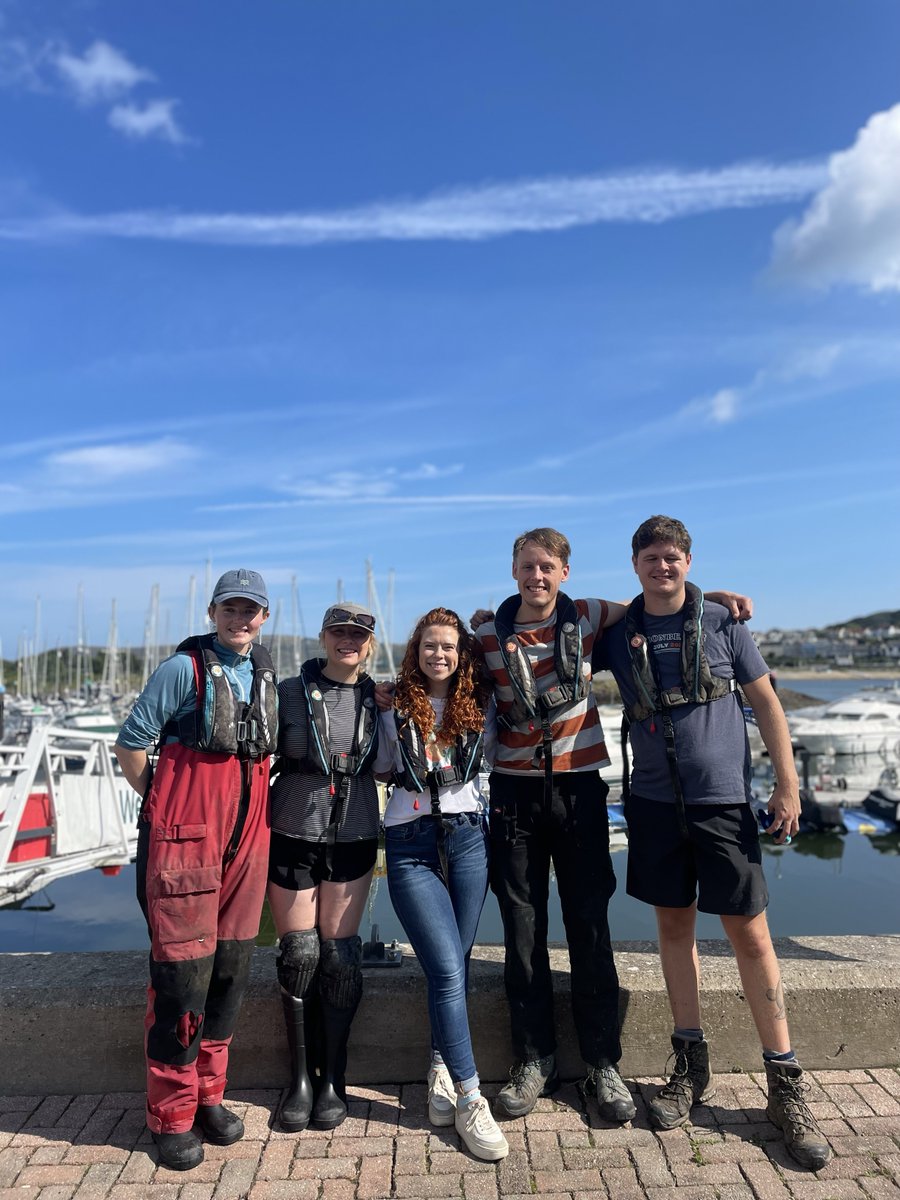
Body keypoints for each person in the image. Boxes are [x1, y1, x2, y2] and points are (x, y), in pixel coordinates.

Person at [470, 527, 749, 1124]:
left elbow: (658, 601)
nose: (536, 576)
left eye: (547, 567)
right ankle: (533, 1059)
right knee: (522, 929)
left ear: (564, 573)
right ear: (513, 571)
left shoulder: (591, 615)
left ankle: (602, 1062)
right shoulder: (487, 636)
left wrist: (716, 597)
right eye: (527, 567)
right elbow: (442, 679)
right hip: (514, 794)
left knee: (590, 925)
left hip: (579, 790)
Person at [593, 515, 831, 1171]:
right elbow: (556, 620)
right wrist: (489, 619)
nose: (662, 567)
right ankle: (689, 1065)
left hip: (723, 802)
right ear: (635, 564)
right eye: (650, 558)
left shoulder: (725, 623)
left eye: (672, 557)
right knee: (674, 931)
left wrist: (788, 786)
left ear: (689, 562)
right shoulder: (618, 633)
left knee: (750, 935)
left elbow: (767, 703)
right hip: (653, 805)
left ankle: (784, 1081)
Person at [115, 570, 277, 1172]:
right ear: (213, 612)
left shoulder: (264, 673)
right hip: (186, 840)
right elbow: (131, 745)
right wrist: (163, 808)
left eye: (250, 610)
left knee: (230, 972)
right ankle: (172, 1114)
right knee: (182, 981)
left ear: (264, 617)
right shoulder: (182, 671)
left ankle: (209, 1094)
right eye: (230, 609)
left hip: (247, 841)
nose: (240, 619)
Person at [374, 608, 509, 1162]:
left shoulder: (481, 704)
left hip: (469, 837)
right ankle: (473, 1096)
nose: (439, 654)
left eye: (449, 646)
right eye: (430, 645)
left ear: (462, 654)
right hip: (410, 843)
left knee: (453, 963)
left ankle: (440, 1070)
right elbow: (380, 765)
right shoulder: (391, 705)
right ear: (416, 650)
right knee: (450, 969)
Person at [267, 602, 380, 1133]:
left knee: (339, 957)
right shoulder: (288, 692)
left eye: (357, 634)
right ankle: (300, 1080)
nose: (347, 641)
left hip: (354, 832)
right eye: (338, 632)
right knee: (299, 954)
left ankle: (332, 1077)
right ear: (323, 636)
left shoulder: (382, 698)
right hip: (292, 829)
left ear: (370, 644)